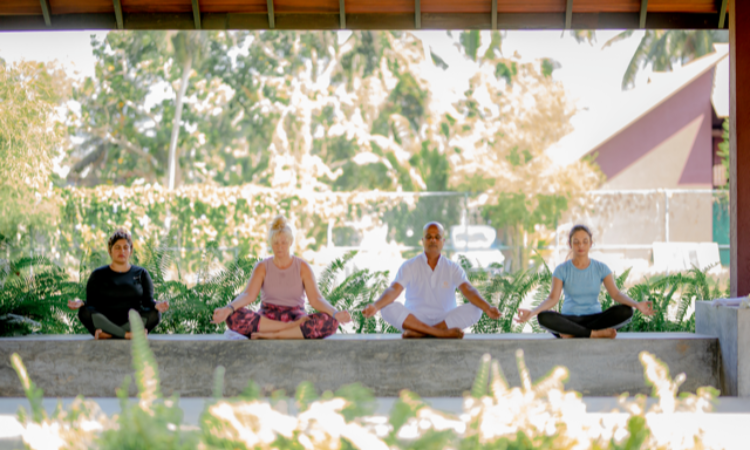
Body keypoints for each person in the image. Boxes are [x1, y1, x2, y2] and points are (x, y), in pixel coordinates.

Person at [211, 215, 352, 339]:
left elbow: (316, 299)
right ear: (271, 244)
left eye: (284, 243)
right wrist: (228, 309)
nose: (280, 247)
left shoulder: (302, 267)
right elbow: (248, 294)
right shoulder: (262, 267)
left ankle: (274, 335)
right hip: (268, 320)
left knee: (331, 322)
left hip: (296, 317)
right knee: (233, 316)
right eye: (276, 243)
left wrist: (336, 314)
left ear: (290, 242)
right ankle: (288, 329)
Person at [362, 221, 501, 339]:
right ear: (423, 241)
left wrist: (487, 308)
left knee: (477, 309)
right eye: (428, 237)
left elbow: (468, 290)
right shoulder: (409, 265)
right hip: (415, 320)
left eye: (437, 237)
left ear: (443, 242)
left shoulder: (453, 268)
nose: (433, 240)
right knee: (386, 307)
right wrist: (375, 306)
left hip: (445, 320)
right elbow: (394, 289)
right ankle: (439, 333)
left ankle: (421, 333)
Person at [516, 224, 654, 338]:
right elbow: (552, 298)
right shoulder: (561, 270)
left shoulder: (601, 268)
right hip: (570, 319)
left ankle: (573, 333)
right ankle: (594, 334)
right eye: (576, 242)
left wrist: (636, 304)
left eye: (585, 241)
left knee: (626, 311)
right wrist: (532, 312)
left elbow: (616, 294)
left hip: (595, 319)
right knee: (543, 317)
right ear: (570, 244)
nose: (580, 245)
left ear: (591, 243)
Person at [67, 229, 169, 339]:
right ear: (109, 251)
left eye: (125, 247)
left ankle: (109, 334)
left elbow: (148, 302)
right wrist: (81, 303)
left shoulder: (141, 273)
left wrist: (157, 305)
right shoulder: (97, 274)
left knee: (155, 314)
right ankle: (127, 335)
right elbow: (91, 304)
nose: (122, 251)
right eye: (117, 247)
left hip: (132, 322)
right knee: (84, 312)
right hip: (105, 321)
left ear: (131, 251)